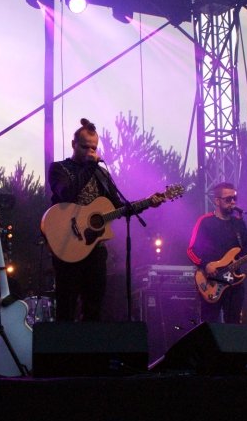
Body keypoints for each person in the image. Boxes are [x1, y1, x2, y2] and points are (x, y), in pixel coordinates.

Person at [47, 118, 163, 322]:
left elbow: (119, 207)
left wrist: (147, 202)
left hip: (95, 248)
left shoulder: (101, 174)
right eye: (85, 147)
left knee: (94, 306)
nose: (90, 151)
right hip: (66, 244)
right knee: (66, 307)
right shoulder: (59, 168)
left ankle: (92, 343)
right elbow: (66, 193)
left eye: (94, 147)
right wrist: (89, 166)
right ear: (74, 144)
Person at [187, 182, 247, 324]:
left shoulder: (238, 223)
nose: (232, 202)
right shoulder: (205, 221)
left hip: (234, 283)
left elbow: (245, 250)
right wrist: (206, 265)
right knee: (210, 325)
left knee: (234, 324)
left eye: (234, 198)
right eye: (228, 199)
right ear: (217, 201)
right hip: (211, 281)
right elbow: (191, 250)